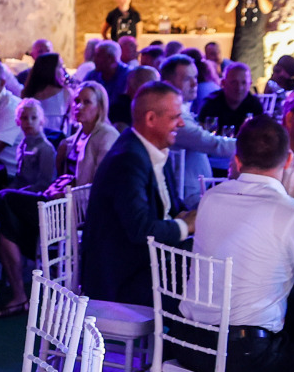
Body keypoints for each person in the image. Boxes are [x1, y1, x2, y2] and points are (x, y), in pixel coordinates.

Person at [179, 117, 294, 372]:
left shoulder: (210, 198)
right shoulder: (293, 213)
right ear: (288, 160)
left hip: (189, 345)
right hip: (242, 358)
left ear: (237, 159)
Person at [80, 81, 192, 306]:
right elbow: (141, 230)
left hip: (147, 263)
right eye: (175, 117)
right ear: (151, 119)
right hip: (122, 281)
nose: (181, 123)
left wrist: (188, 218)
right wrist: (186, 226)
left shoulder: (153, 149)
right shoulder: (127, 159)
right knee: (206, 279)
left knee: (205, 265)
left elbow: (172, 208)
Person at [0, 100, 59, 314]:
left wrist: (17, 192)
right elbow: (20, 178)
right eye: (24, 118)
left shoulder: (45, 149)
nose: (28, 122)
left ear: (42, 120)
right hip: (23, 199)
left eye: (33, 118)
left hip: (38, 203)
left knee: (1, 200)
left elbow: (45, 183)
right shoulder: (23, 145)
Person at [156, 56, 236, 212]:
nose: (195, 84)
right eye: (187, 79)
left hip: (196, 189)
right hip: (186, 197)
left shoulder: (183, 111)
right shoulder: (173, 117)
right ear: (168, 84)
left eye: (195, 77)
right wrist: (252, 145)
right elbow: (213, 144)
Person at [58, 81, 113, 187]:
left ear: (100, 107)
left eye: (87, 102)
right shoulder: (73, 139)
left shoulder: (108, 136)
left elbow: (103, 183)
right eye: (77, 101)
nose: (79, 106)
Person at [223, 0, 272, 77]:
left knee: (255, 74)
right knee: (237, 71)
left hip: (256, 40)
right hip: (240, 41)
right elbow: (227, 8)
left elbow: (266, 9)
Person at [197, 62, 264, 131]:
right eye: (234, 82)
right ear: (223, 83)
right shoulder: (211, 104)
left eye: (244, 83)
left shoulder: (255, 106)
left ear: (250, 84)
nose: (239, 87)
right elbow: (202, 133)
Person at [20, 53, 70, 131]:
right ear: (51, 70)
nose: (63, 70)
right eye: (60, 66)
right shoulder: (65, 93)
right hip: (58, 137)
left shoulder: (26, 93)